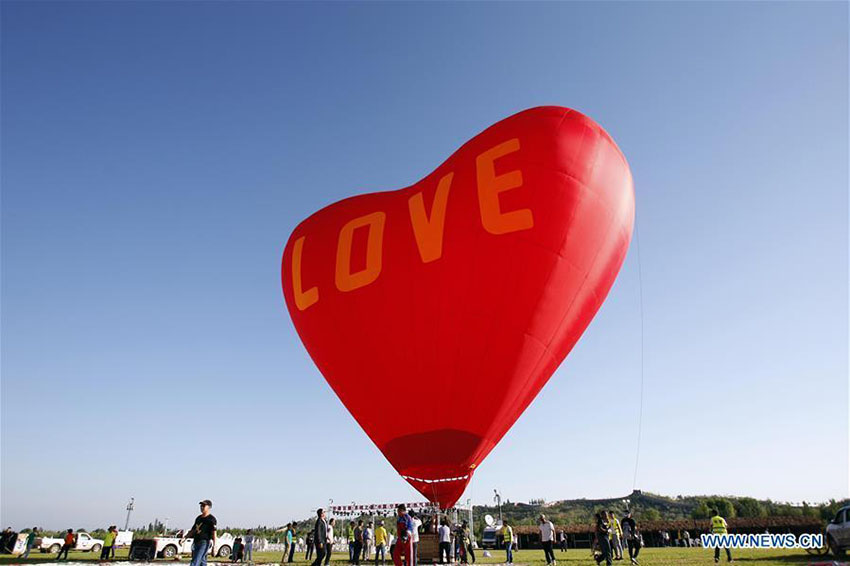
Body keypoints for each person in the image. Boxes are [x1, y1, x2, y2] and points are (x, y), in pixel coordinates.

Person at [186, 500, 217, 566]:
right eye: (201, 506)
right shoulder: (198, 518)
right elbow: (193, 530)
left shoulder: (211, 519)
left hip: (204, 542)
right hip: (196, 542)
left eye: (204, 506)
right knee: (202, 561)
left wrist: (214, 546)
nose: (202, 507)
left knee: (196, 560)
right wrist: (184, 538)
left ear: (209, 507)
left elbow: (214, 533)